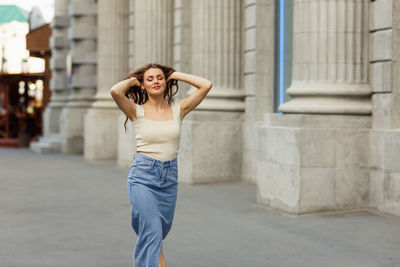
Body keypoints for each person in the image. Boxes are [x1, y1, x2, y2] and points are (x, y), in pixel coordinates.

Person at [110, 63, 212, 267]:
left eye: (159, 77)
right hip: (143, 176)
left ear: (166, 82)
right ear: (143, 85)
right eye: (150, 79)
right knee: (152, 233)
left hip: (169, 178)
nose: (156, 81)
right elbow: (115, 91)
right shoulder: (135, 111)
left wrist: (175, 74)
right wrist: (135, 80)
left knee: (158, 233)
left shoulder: (179, 109)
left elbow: (206, 85)